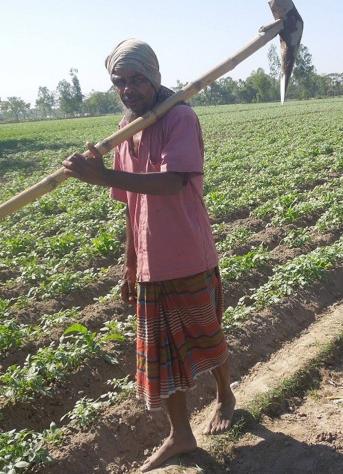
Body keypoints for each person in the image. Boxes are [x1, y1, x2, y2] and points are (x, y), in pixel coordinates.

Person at [62, 38, 235, 472]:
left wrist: (101, 176)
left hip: (186, 251)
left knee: (205, 335)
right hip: (149, 260)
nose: (128, 89)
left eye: (136, 79)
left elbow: (174, 181)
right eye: (120, 82)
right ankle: (181, 434)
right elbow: (131, 207)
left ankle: (225, 394)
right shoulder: (126, 131)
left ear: (154, 76)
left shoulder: (179, 117)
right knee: (161, 351)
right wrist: (130, 260)